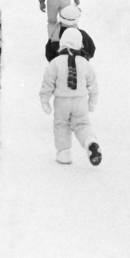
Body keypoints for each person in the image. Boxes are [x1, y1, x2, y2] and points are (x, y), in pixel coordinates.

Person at [39, 27, 101, 166]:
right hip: (80, 101)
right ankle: (90, 141)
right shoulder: (85, 63)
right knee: (82, 124)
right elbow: (93, 85)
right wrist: (92, 102)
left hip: (62, 101)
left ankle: (64, 153)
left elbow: (48, 82)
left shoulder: (55, 62)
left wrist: (45, 100)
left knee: (61, 125)